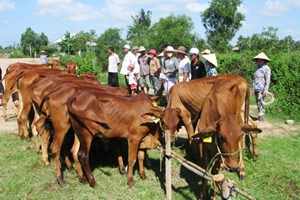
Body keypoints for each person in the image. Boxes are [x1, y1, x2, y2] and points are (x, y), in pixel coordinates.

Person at [252, 52, 271, 122]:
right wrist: (253, 88)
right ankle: (260, 115)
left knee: (261, 102)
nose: (259, 61)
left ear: (264, 60)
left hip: (262, 89)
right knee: (258, 102)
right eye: (258, 60)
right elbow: (255, 79)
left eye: (261, 60)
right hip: (256, 88)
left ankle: (261, 116)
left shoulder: (266, 68)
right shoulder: (257, 68)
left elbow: (267, 80)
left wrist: (265, 90)